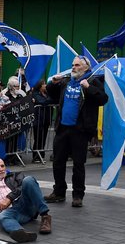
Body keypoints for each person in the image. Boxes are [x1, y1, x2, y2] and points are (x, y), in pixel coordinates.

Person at [44, 55, 108, 207]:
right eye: (73, 65)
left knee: (78, 164)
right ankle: (59, 192)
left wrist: (88, 88)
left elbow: (103, 99)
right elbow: (52, 95)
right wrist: (53, 84)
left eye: (77, 65)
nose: (73, 67)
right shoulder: (66, 81)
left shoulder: (92, 81)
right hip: (62, 128)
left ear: (86, 67)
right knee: (58, 162)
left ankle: (78, 195)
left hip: (80, 130)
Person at [0, 157, 51, 243]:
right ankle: (20, 233)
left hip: (24, 203)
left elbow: (23, 187)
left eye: (2, 166)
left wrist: (9, 198)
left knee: (28, 180)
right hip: (12, 212)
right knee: (1, 216)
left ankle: (45, 217)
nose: (1, 169)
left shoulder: (14, 176)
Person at [31, 79, 53, 162]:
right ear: (40, 86)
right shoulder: (35, 93)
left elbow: (51, 99)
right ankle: (36, 156)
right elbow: (41, 101)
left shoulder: (47, 93)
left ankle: (41, 154)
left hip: (46, 118)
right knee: (38, 137)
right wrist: (48, 101)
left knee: (44, 137)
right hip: (38, 118)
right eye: (44, 84)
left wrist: (48, 101)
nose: (45, 85)